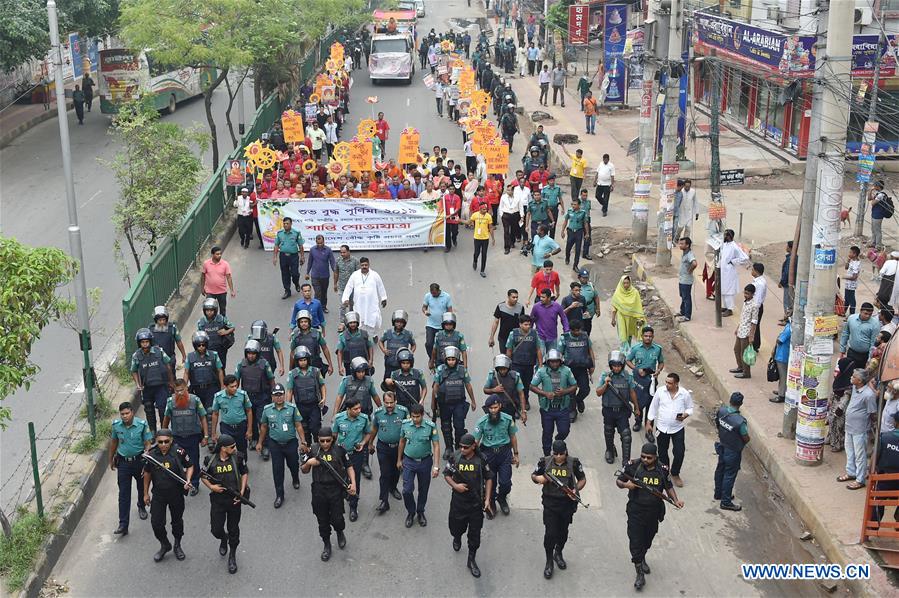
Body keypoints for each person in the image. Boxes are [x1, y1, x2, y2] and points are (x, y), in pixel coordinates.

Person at [616, 443, 684, 590]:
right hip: (635, 511)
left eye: (648, 457)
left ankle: (642, 555)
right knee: (635, 540)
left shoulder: (662, 469)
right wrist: (627, 485)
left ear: (655, 457)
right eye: (643, 456)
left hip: (654, 512)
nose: (645, 459)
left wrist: (676, 500)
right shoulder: (633, 466)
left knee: (647, 539)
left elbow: (668, 486)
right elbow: (618, 480)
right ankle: (639, 571)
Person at [532, 439, 586, 579]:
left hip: (567, 504)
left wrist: (575, 490)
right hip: (550, 504)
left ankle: (558, 552)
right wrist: (540, 479)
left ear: (566, 452)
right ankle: (549, 560)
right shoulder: (545, 462)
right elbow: (533, 475)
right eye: (555, 453)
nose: (558, 456)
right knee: (550, 534)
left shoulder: (573, 463)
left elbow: (582, 479)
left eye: (561, 453)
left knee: (563, 533)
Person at [444, 433, 494, 578]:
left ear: (473, 446)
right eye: (460, 446)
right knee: (455, 527)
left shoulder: (481, 459)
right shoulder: (455, 457)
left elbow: (489, 478)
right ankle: (457, 537)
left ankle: (471, 559)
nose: (462, 449)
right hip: (458, 502)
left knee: (475, 535)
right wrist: (455, 485)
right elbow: (446, 473)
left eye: (466, 447)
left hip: (475, 503)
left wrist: (487, 500)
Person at [302, 426, 355, 561]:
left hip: (335, 489)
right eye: (322, 441)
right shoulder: (313, 450)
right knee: (322, 521)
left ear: (332, 439)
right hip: (319, 490)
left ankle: (340, 532)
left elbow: (349, 466)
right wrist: (309, 463)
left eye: (328, 440)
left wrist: (353, 483)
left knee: (337, 518)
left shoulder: (339, 450)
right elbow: (304, 470)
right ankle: (326, 544)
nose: (325, 443)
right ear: (318, 440)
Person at [142, 429, 193, 561]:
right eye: (160, 442)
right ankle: (165, 545)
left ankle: (177, 544)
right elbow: (147, 474)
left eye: (166, 441)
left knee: (177, 522)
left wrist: (188, 480)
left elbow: (190, 465)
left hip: (176, 493)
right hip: (159, 494)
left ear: (171, 440)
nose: (163, 444)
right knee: (156, 523)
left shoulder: (179, 452)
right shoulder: (151, 455)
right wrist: (145, 493)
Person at [202, 434, 248, 574]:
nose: (235, 449)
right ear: (223, 448)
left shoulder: (238, 457)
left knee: (233, 529)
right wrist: (212, 487)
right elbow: (203, 475)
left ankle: (232, 555)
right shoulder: (210, 460)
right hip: (218, 501)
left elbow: (244, 472)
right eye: (232, 447)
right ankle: (223, 538)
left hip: (234, 500)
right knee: (216, 530)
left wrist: (241, 491)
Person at [257, 383, 305, 508]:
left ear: (284, 395)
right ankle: (279, 495)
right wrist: (260, 442)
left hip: (290, 443)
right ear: (272, 397)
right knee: (277, 470)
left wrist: (303, 441)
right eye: (276, 395)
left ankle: (295, 478)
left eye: (281, 395)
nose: (279, 397)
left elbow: (298, 425)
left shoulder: (292, 408)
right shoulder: (267, 410)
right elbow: (263, 426)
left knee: (293, 465)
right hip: (275, 444)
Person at [110, 402, 153, 535]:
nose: (124, 416)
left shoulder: (142, 425)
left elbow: (147, 443)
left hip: (139, 461)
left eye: (127, 413)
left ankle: (141, 506)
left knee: (141, 487)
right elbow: (114, 442)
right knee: (123, 494)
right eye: (122, 414)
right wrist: (110, 458)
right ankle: (123, 524)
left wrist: (147, 458)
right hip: (123, 463)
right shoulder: (116, 426)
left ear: (132, 412)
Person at [473, 395, 519, 516]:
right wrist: (474, 459)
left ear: (500, 406)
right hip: (488, 454)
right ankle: (491, 502)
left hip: (504, 453)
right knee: (490, 481)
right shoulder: (482, 422)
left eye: (495, 407)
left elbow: (513, 437)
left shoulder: (508, 420)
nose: (493, 410)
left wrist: (516, 454)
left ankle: (502, 498)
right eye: (490, 408)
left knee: (505, 482)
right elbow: (475, 442)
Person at [397, 402, 441, 526]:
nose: (415, 419)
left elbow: (436, 446)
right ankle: (411, 512)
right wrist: (399, 460)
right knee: (406, 490)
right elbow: (401, 442)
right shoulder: (405, 425)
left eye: (417, 416)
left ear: (422, 415)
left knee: (423, 489)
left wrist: (436, 466)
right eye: (413, 416)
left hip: (425, 462)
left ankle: (420, 511)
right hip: (409, 461)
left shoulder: (430, 426)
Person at [647, 372, 693, 487]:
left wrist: (685, 415)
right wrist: (649, 422)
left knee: (679, 452)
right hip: (662, 428)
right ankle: (665, 473)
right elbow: (653, 407)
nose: (667, 385)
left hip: (677, 428)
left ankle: (675, 473)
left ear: (676, 384)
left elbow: (690, 408)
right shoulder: (660, 391)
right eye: (666, 382)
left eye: (670, 383)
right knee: (662, 452)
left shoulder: (684, 394)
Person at [162, 380, 208, 495]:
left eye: (182, 390)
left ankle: (194, 483)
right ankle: (180, 483)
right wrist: (163, 436)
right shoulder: (170, 402)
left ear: (186, 388)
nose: (180, 393)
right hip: (177, 438)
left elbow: (203, 417)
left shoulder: (195, 400)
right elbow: (166, 420)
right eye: (177, 391)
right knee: (177, 462)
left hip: (192, 437)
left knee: (193, 462)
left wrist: (206, 436)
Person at [332, 397, 373, 522]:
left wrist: (363, 443)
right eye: (355, 409)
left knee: (355, 480)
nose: (359, 411)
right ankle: (344, 495)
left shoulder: (364, 419)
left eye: (359, 408)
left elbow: (368, 433)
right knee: (340, 478)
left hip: (356, 454)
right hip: (341, 455)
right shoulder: (339, 419)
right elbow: (333, 436)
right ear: (348, 409)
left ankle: (353, 506)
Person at [531, 349, 577, 456]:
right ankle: (547, 455)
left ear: (560, 361)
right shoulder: (541, 371)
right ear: (548, 362)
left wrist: (564, 392)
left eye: (556, 361)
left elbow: (574, 386)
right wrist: (545, 393)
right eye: (552, 361)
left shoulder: (567, 371)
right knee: (547, 433)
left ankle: (557, 443)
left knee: (564, 431)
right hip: (547, 409)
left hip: (562, 408)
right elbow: (532, 386)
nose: (554, 364)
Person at [432, 346, 476, 455]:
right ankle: (448, 448)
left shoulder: (462, 370)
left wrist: (473, 400)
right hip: (444, 404)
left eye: (453, 359)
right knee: (446, 427)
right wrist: (433, 404)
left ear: (457, 359)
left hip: (459, 403)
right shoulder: (440, 370)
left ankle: (458, 447)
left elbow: (468, 385)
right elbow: (435, 387)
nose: (451, 362)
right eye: (449, 359)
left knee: (459, 427)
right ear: (445, 359)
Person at [838, 369, 877, 490]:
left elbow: (872, 413)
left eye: (853, 376)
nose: (851, 377)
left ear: (859, 381)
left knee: (860, 455)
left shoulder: (869, 395)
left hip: (860, 429)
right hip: (849, 426)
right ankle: (851, 472)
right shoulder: (855, 388)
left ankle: (860, 480)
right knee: (849, 451)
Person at [370, 392, 409, 514]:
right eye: (386, 403)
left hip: (399, 447)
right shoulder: (378, 413)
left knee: (396, 470)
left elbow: (409, 427)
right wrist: (370, 443)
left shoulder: (403, 412)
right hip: (383, 447)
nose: (389, 405)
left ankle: (393, 488)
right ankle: (384, 501)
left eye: (391, 402)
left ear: (395, 401)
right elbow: (374, 428)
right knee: (385, 473)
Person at [234, 340, 275, 458]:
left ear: (257, 354)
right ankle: (254, 439)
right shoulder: (241, 365)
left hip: (262, 397)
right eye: (248, 353)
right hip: (247, 397)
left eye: (253, 353)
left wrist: (273, 394)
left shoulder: (264, 364)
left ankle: (266, 446)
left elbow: (271, 379)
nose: (251, 356)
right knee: (249, 420)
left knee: (262, 421)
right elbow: (236, 381)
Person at [131, 328, 175, 433]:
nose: (145, 344)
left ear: (150, 341)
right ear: (139, 343)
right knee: (148, 409)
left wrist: (171, 381)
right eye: (142, 342)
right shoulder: (136, 356)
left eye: (146, 341)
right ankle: (152, 431)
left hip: (160, 386)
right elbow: (134, 371)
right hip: (147, 387)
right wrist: (138, 384)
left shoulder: (159, 351)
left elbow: (168, 365)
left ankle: (164, 430)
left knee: (162, 408)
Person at [715, 392, 750, 511]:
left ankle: (718, 493)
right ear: (741, 404)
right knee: (729, 475)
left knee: (720, 469)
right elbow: (746, 437)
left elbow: (718, 425)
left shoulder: (722, 411)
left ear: (730, 401)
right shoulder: (740, 421)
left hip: (722, 445)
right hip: (733, 451)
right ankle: (725, 501)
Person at [626, 326, 664, 432]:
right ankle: (638, 421)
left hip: (651, 380)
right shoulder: (636, 348)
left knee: (651, 403)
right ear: (642, 336)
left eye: (650, 336)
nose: (648, 338)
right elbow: (628, 360)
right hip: (638, 379)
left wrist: (658, 371)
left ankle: (649, 426)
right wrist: (636, 369)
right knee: (638, 401)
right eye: (646, 336)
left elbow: (661, 362)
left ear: (653, 337)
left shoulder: (658, 349)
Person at [341, 257, 388, 338]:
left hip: (372, 304)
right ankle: (363, 338)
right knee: (360, 321)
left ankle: (374, 334)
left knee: (375, 320)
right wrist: (345, 299)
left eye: (366, 265)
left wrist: (384, 298)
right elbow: (348, 287)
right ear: (360, 265)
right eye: (362, 265)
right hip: (359, 304)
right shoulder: (355, 275)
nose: (364, 266)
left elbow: (380, 287)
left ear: (369, 265)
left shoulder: (375, 275)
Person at [507, 314, 544, 412]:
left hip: (529, 364)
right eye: (526, 324)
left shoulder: (534, 334)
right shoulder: (513, 334)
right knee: (516, 384)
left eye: (529, 324)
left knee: (527, 384)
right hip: (516, 363)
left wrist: (540, 365)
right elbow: (509, 350)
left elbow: (538, 349)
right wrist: (507, 364)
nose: (528, 326)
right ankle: (517, 403)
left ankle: (526, 400)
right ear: (520, 324)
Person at [559, 319, 594, 422]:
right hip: (569, 369)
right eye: (575, 331)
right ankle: (572, 411)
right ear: (571, 330)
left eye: (579, 330)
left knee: (585, 389)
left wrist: (592, 365)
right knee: (571, 391)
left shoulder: (585, 336)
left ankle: (579, 400)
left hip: (582, 367)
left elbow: (590, 350)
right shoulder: (564, 338)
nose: (577, 332)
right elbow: (559, 354)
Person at [210, 375, 253, 457]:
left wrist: (249, 430)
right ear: (225, 386)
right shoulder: (218, 397)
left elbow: (249, 411)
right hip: (226, 427)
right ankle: (232, 467)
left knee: (242, 449)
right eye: (232, 387)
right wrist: (213, 433)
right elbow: (215, 414)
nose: (235, 388)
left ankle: (243, 466)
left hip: (241, 426)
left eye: (236, 386)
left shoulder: (242, 395)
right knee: (227, 449)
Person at [872, 411, 899, 522]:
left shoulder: (884, 437)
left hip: (884, 480)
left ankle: (873, 524)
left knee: (878, 499)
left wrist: (871, 473)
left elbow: (874, 459)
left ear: (896, 423)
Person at [272, 217, 306, 300]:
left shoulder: (296, 233)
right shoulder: (280, 233)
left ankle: (296, 283)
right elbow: (276, 245)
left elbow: (300, 245)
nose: (285, 225)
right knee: (285, 274)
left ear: (291, 224)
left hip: (293, 256)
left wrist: (302, 257)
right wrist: (275, 257)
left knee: (295, 273)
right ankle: (287, 291)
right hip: (283, 256)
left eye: (287, 223)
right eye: (284, 223)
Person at [197, 297, 235, 370]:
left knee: (221, 368)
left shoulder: (221, 319)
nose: (209, 312)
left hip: (221, 349)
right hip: (208, 350)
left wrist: (225, 332)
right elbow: (199, 337)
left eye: (211, 310)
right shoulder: (201, 322)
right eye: (207, 310)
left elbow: (232, 327)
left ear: (215, 310)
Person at [378, 310, 415, 383]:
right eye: (397, 322)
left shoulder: (408, 334)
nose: (399, 324)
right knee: (387, 381)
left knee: (401, 381)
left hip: (402, 364)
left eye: (401, 322)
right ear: (393, 322)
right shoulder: (387, 333)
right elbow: (380, 341)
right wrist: (384, 350)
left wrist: (411, 352)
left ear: (404, 323)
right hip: (390, 362)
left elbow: (413, 344)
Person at [610, 275, 645, 352]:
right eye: (624, 283)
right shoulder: (618, 293)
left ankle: (629, 351)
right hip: (621, 318)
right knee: (623, 336)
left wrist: (640, 318)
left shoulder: (635, 292)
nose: (626, 285)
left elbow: (638, 306)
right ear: (621, 283)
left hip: (632, 318)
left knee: (629, 335)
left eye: (627, 283)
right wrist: (613, 319)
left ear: (630, 283)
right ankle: (624, 352)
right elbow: (614, 307)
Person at [731, 284, 759, 379]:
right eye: (745, 293)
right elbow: (743, 317)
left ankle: (746, 373)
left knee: (745, 353)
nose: (745, 295)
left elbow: (754, 322)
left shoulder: (755, 305)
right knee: (736, 349)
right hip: (741, 330)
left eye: (748, 294)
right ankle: (740, 367)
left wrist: (751, 335)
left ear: (752, 294)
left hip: (747, 332)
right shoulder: (745, 302)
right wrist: (738, 327)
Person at [719, 229, 748, 316]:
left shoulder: (734, 246)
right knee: (723, 289)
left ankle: (730, 308)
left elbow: (744, 258)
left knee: (729, 290)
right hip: (723, 271)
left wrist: (733, 261)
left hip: (729, 272)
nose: (724, 237)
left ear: (729, 236)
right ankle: (725, 306)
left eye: (725, 235)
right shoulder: (724, 244)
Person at [422, 283, 454, 359]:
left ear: (439, 290)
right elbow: (424, 307)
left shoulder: (446, 297)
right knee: (429, 344)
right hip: (431, 325)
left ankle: (443, 358)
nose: (433, 295)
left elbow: (450, 310)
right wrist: (425, 311)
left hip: (443, 326)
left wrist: (450, 324)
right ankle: (432, 359)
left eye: (434, 293)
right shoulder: (428, 296)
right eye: (432, 293)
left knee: (442, 344)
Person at [306, 235, 337, 312]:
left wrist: (335, 272)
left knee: (324, 292)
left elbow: (332, 262)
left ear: (324, 242)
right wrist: (307, 272)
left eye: (321, 243)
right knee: (317, 293)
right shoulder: (312, 250)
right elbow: (310, 262)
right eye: (318, 243)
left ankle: (323, 307)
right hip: (315, 275)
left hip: (325, 276)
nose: (320, 244)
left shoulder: (328, 250)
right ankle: (316, 308)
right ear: (316, 242)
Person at [202, 246, 235, 315]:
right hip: (210, 292)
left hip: (222, 291)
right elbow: (203, 276)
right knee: (210, 310)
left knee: (222, 309)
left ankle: (222, 323)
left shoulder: (225, 264)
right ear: (212, 254)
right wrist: (202, 288)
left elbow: (229, 277)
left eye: (220, 254)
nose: (219, 255)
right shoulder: (206, 264)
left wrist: (232, 290)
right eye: (217, 254)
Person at [334, 245, 360, 328]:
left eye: (344, 252)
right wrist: (335, 284)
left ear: (349, 252)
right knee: (342, 305)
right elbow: (336, 272)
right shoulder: (338, 260)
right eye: (341, 252)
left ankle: (352, 321)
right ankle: (342, 323)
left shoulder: (355, 261)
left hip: (353, 288)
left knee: (352, 305)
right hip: (342, 287)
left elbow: (359, 274)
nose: (342, 254)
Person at [561, 197, 588, 271]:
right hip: (571, 231)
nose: (573, 206)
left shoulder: (583, 212)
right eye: (572, 204)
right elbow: (566, 221)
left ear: (579, 205)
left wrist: (587, 233)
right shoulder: (570, 211)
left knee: (578, 249)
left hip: (579, 232)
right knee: (568, 247)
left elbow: (585, 223)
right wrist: (562, 231)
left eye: (575, 204)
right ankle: (567, 257)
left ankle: (575, 265)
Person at [470, 202, 495, 277]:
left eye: (486, 209)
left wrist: (493, 238)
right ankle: (475, 261)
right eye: (484, 209)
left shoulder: (488, 216)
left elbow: (490, 227)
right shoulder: (475, 215)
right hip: (477, 238)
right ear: (480, 209)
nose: (485, 210)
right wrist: (459, 220)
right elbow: (468, 222)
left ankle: (482, 270)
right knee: (476, 253)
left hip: (485, 238)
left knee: (484, 254)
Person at [771, 319, 791, 403]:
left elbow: (780, 340)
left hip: (782, 355)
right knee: (783, 375)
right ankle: (781, 390)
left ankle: (781, 395)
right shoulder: (789, 326)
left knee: (783, 376)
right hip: (782, 354)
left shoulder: (789, 328)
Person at [677, 237, 697, 321]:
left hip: (686, 280)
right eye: (680, 243)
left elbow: (694, 263)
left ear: (687, 245)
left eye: (682, 244)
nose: (680, 245)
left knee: (686, 297)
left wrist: (690, 270)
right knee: (682, 295)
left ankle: (687, 316)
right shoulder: (684, 253)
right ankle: (683, 311)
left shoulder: (689, 254)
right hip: (682, 279)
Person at [750, 263, 767, 352]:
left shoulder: (760, 284)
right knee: (755, 325)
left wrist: (754, 309)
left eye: (752, 270)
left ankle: (755, 345)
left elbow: (758, 298)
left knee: (755, 325)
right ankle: (755, 344)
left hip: (757, 307)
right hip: (755, 306)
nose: (751, 271)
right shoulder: (757, 280)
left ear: (756, 271)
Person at [867, 180, 890, 247]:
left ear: (878, 186)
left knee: (877, 231)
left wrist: (874, 199)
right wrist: (870, 191)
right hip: (874, 214)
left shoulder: (881, 195)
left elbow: (872, 203)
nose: (874, 186)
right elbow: (869, 199)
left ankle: (878, 245)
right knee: (873, 229)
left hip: (878, 215)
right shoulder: (878, 194)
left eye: (875, 185)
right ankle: (873, 243)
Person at [778, 241, 795, 323]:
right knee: (789, 302)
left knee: (787, 302)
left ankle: (787, 319)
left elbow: (787, 272)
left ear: (790, 248)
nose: (786, 247)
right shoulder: (794, 257)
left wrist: (781, 282)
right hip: (791, 283)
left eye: (787, 246)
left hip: (788, 283)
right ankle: (787, 317)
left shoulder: (790, 259)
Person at [844, 245, 861, 316]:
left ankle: (852, 314)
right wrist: (848, 261)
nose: (849, 254)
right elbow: (846, 267)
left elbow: (854, 277)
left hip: (851, 285)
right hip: (848, 284)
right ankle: (843, 312)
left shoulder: (856, 264)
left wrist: (845, 277)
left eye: (850, 252)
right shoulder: (852, 261)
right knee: (847, 298)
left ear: (854, 254)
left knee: (851, 300)